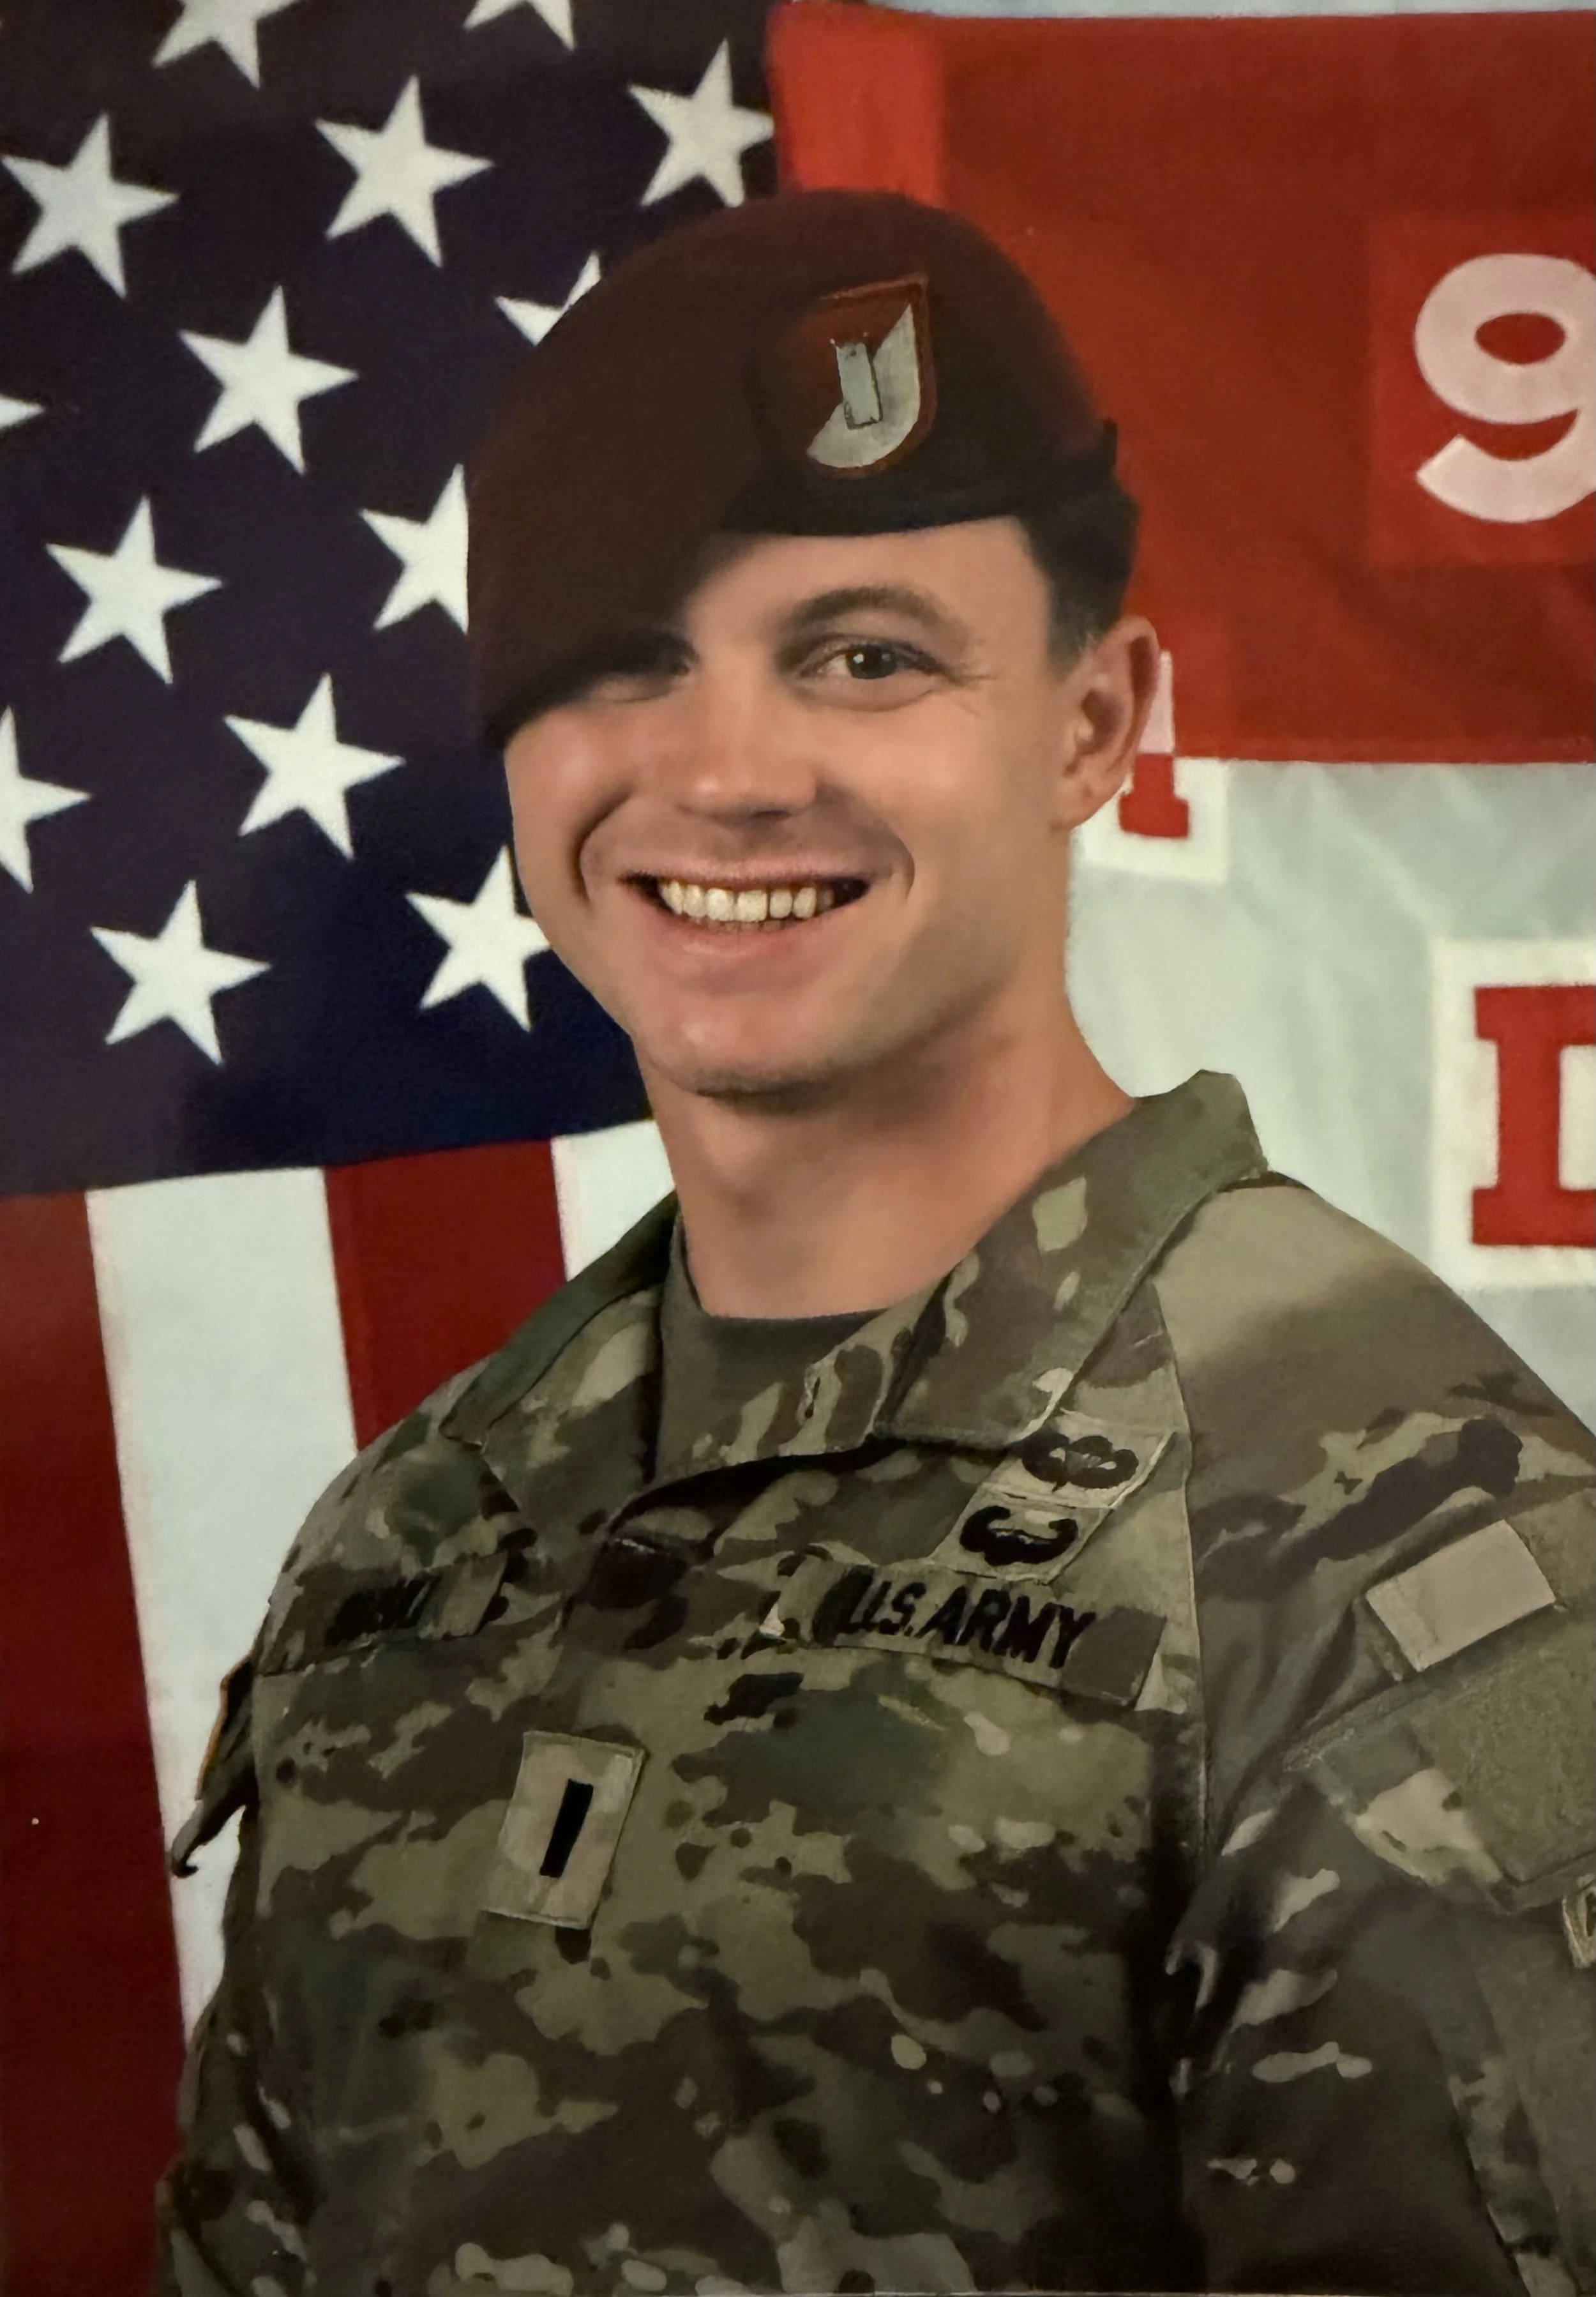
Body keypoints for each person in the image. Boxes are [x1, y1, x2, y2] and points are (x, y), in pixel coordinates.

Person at [158, 190, 1595, 2297]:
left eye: (863, 655)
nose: (730, 771)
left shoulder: (1397, 1541)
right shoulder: (425, 1517)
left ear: (1093, 722)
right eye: (623, 659)